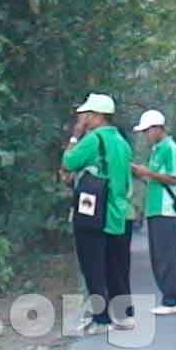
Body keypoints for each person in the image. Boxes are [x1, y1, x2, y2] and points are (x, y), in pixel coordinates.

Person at [62, 93, 134, 332]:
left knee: (93, 266)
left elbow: (69, 162)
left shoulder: (94, 139)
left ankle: (101, 319)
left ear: (96, 115)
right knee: (117, 266)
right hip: (120, 211)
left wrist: (75, 136)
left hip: (94, 212)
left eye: (85, 114)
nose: (82, 118)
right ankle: (124, 316)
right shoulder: (123, 142)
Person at [130, 108, 176, 315]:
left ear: (157, 129)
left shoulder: (169, 147)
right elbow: (154, 179)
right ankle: (167, 297)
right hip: (153, 209)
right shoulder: (156, 149)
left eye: (147, 131)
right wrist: (140, 173)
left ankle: (172, 300)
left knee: (166, 257)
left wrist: (148, 172)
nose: (145, 136)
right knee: (157, 256)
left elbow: (174, 177)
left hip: (166, 210)